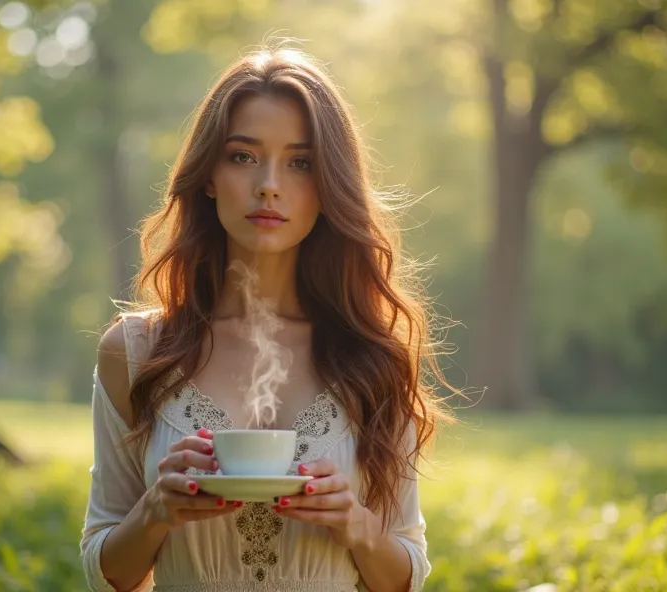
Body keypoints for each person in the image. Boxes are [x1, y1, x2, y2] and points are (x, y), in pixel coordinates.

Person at [80, 45, 456, 592]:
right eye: (242, 156)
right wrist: (155, 511)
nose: (269, 185)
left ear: (329, 187)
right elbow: (105, 569)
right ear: (208, 175)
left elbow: (407, 573)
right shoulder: (136, 351)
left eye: (300, 162)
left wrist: (358, 526)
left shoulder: (374, 354)